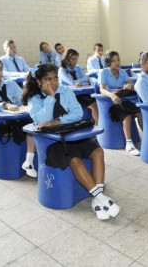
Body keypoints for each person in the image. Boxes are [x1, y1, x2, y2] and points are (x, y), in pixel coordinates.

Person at [21, 63, 119, 220]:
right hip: (52, 142)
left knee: (97, 151)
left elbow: (77, 114)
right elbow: (41, 120)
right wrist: (50, 97)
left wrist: (57, 121)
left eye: (55, 78)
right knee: (73, 158)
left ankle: (98, 198)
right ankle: (101, 199)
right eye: (48, 79)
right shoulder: (35, 98)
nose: (53, 83)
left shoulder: (65, 90)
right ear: (39, 81)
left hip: (73, 135)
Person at [0, 57, 37, 178]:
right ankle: (29, 161)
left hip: (20, 115)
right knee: (26, 128)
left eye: (0, 69)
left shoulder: (10, 83)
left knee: (35, 124)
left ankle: (29, 161)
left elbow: (22, 98)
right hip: (4, 121)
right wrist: (5, 105)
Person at [99, 50, 142, 156]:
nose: (117, 62)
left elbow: (130, 83)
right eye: (113, 61)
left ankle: (147, 137)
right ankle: (129, 144)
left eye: (118, 60)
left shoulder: (122, 72)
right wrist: (112, 95)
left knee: (139, 112)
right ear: (108, 62)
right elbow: (102, 89)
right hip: (111, 103)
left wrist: (129, 85)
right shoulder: (103, 72)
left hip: (123, 101)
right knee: (126, 115)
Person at [58, 48, 98, 124]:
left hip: (81, 94)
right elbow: (72, 82)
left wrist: (82, 82)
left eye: (76, 59)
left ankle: (96, 126)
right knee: (94, 106)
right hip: (70, 96)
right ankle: (99, 130)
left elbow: (87, 81)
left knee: (97, 102)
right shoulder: (62, 70)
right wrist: (83, 79)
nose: (75, 62)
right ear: (66, 59)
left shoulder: (78, 68)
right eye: (73, 59)